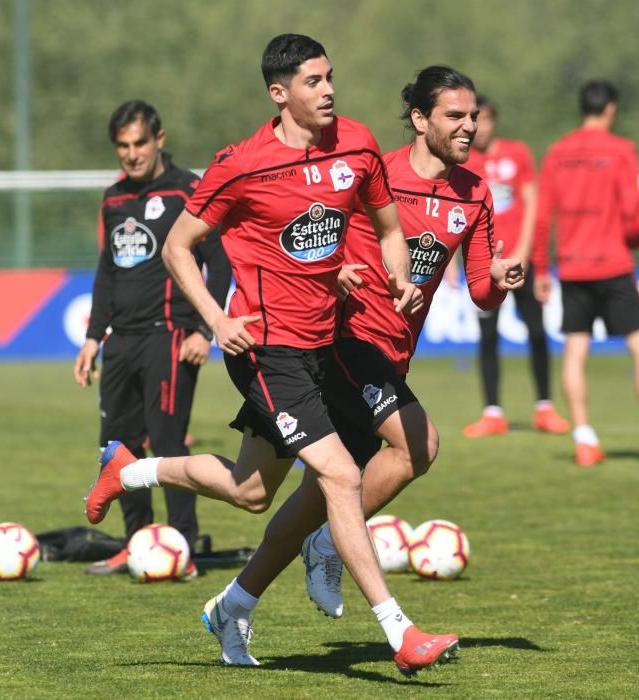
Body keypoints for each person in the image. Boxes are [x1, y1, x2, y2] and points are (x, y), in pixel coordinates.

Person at [82, 34, 458, 674]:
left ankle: (134, 474)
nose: (329, 90)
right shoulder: (243, 163)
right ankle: (401, 633)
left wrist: (399, 276)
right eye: (313, 81)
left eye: (330, 77)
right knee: (339, 476)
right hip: (265, 350)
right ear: (279, 93)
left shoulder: (358, 144)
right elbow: (178, 246)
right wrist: (216, 317)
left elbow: (390, 228)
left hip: (325, 344)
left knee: (250, 490)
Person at [185, 66, 522, 668]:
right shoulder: (374, 167)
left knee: (268, 491)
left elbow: (477, 289)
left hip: (386, 354)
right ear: (420, 120)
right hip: (340, 342)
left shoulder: (475, 193)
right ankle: (349, 567)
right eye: (455, 116)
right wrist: (334, 269)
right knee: (415, 445)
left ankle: (235, 601)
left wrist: (497, 281)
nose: (469, 126)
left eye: (472, 116)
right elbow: (311, 223)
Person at [73, 100, 230, 577]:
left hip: (170, 336)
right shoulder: (113, 199)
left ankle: (180, 544)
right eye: (122, 146)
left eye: (139, 143)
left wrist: (206, 330)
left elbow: (219, 265)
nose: (131, 154)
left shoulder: (189, 190)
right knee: (116, 444)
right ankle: (135, 542)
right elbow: (106, 272)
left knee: (166, 444)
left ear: (159, 140)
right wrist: (92, 338)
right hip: (120, 340)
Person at [534, 80, 639, 467]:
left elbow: (542, 217)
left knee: (575, 350)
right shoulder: (622, 151)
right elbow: (631, 221)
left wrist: (542, 267)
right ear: (610, 110)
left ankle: (584, 439)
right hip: (613, 264)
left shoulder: (557, 153)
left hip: (572, 266)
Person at [460, 95, 569, 438]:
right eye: (474, 120)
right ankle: (493, 412)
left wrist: (527, 255)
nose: (480, 127)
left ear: (494, 120)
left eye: (485, 119)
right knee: (488, 337)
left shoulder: (517, 153)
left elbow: (533, 204)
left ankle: (545, 408)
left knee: (537, 332)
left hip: (521, 262)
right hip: (483, 265)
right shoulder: (462, 163)